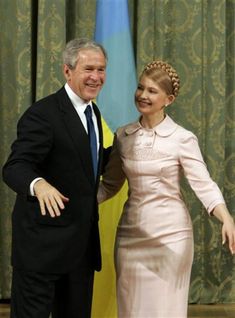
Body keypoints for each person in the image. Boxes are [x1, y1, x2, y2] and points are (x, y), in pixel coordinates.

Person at [98, 60, 235, 318]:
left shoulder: (183, 138)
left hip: (172, 238)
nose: (142, 95)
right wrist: (75, 201)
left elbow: (203, 185)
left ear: (168, 99)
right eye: (140, 88)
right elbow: (110, 186)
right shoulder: (123, 136)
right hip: (130, 237)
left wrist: (225, 217)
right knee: (130, 309)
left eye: (152, 91)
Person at [2, 38, 108, 318]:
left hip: (81, 252)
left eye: (101, 70)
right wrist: (39, 185)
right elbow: (15, 166)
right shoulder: (43, 114)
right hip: (42, 252)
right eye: (88, 69)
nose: (96, 77)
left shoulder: (92, 112)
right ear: (67, 71)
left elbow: (83, 165)